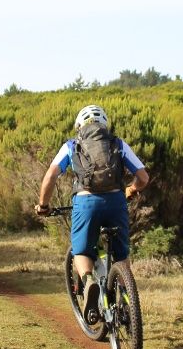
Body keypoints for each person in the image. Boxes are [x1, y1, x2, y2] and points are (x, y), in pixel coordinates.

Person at [35, 105, 149, 321]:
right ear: (104, 124)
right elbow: (143, 177)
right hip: (116, 202)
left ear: (80, 126)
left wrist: (43, 205)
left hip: (85, 203)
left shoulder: (72, 145)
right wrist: (131, 190)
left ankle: (88, 282)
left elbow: (50, 176)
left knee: (81, 251)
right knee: (121, 256)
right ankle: (126, 306)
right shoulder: (118, 144)